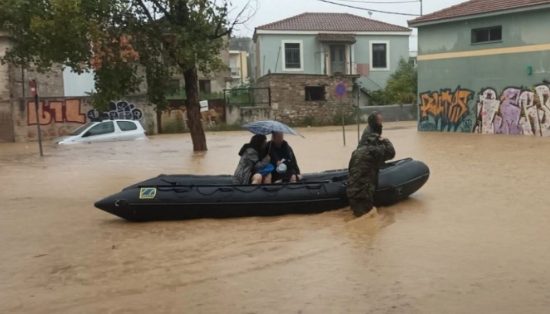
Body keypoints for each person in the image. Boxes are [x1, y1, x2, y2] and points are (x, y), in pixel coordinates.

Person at [347, 112, 395, 217]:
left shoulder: (357, 152)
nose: (381, 124)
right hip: (363, 194)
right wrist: (385, 140)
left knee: (359, 220)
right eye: (380, 122)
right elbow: (391, 153)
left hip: (352, 192)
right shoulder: (374, 150)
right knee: (366, 222)